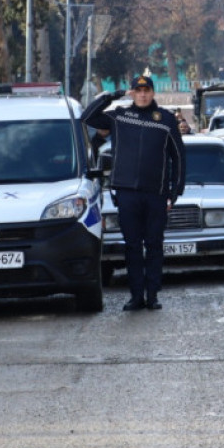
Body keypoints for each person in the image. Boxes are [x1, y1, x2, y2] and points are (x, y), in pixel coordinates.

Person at [83, 76, 185, 311]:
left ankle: (152, 294)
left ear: (152, 93)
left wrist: (175, 191)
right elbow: (87, 117)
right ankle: (136, 295)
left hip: (156, 193)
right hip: (127, 193)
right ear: (133, 93)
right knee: (132, 246)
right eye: (138, 91)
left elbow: (178, 157)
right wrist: (113, 95)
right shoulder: (119, 116)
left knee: (154, 245)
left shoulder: (166, 119)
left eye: (146, 90)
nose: (142, 95)